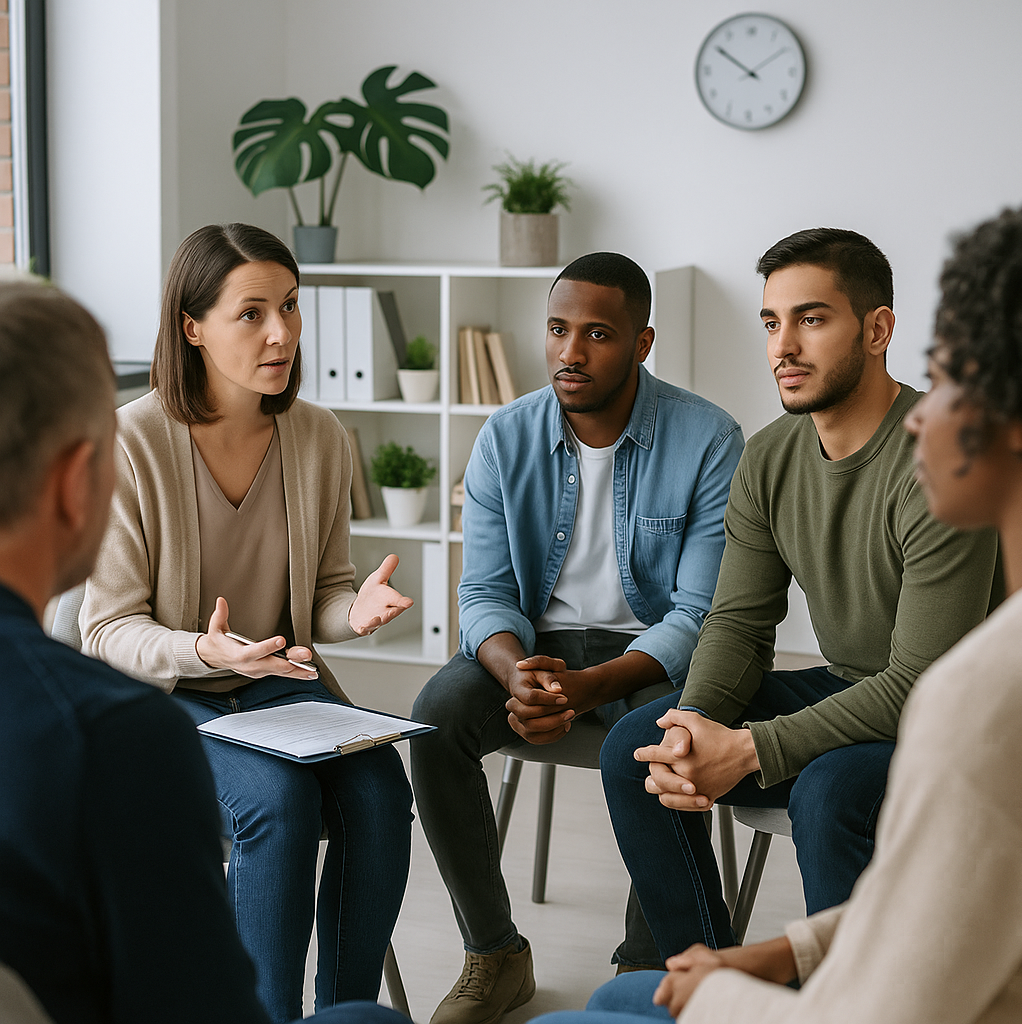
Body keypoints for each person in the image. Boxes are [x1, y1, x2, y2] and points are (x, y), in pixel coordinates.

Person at [529, 203, 1022, 1024]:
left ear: (878, 329)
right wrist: (693, 723)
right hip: (856, 684)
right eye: (771, 322)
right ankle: (702, 974)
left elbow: (918, 683)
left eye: (812, 319)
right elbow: (736, 625)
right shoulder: (770, 455)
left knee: (828, 789)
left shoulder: (941, 458)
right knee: (636, 743)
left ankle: (836, 999)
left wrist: (751, 748)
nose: (783, 348)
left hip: (934, 705)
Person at [0, 279, 407, 1024]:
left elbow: (326, 594)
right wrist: (205, 651)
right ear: (192, 329)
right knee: (276, 803)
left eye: (289, 306)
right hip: (171, 688)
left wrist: (357, 612)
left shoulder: (319, 435)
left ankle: (341, 1007)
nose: (280, 332)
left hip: (279, 683)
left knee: (381, 793)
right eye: (251, 313)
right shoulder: (134, 440)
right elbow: (108, 630)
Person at [410, 252, 745, 1024]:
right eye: (559, 329)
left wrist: (594, 685)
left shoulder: (707, 439)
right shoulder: (504, 437)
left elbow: (698, 614)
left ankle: (641, 966)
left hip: (649, 652)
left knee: (667, 731)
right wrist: (515, 673)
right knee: (436, 719)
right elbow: (484, 592)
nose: (569, 351)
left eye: (596, 333)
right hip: (538, 647)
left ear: (643, 341)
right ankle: (493, 954)